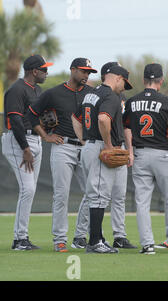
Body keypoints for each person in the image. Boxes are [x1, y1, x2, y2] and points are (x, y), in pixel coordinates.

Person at [122, 63, 168, 255]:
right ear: (161, 81)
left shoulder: (132, 101)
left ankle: (147, 245)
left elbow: (126, 127)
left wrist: (129, 151)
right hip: (162, 154)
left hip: (140, 154)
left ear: (144, 80)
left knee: (142, 202)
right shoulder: (167, 101)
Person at [26, 58, 97, 252]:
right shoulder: (53, 93)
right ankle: (60, 239)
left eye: (89, 72)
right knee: (61, 195)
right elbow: (31, 114)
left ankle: (81, 235)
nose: (86, 75)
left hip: (86, 147)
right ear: (72, 70)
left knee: (94, 192)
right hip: (62, 146)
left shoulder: (92, 94)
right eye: (83, 71)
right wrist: (46, 136)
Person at [71, 61, 137, 250]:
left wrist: (84, 140)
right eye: (124, 83)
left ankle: (98, 238)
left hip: (91, 146)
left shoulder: (90, 94)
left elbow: (75, 119)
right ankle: (95, 241)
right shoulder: (111, 96)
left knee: (98, 194)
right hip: (102, 148)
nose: (124, 88)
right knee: (99, 195)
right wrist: (107, 145)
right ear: (118, 78)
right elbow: (102, 119)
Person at [2, 54, 52, 251]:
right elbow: (15, 121)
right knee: (28, 189)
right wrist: (25, 148)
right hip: (18, 141)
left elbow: (39, 118)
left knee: (29, 190)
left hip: (35, 140)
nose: (47, 73)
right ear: (34, 71)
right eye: (44, 69)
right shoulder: (16, 90)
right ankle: (19, 239)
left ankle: (23, 236)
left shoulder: (37, 90)